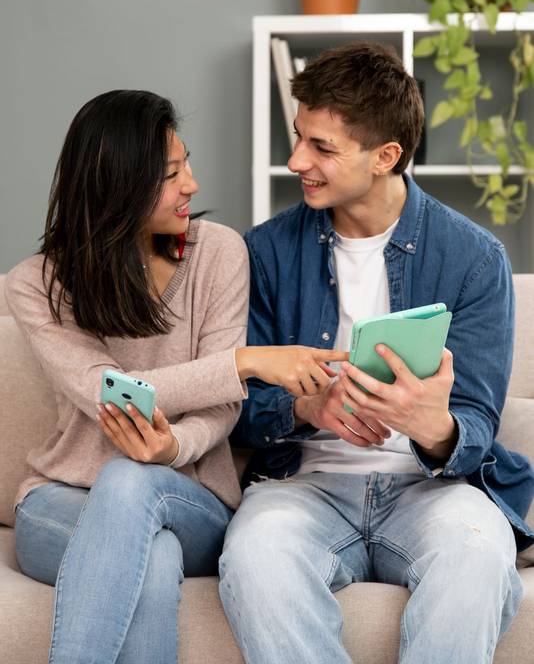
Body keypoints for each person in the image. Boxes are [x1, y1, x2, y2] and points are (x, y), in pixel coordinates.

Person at [5, 89, 346, 664]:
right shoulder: (37, 283)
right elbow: (104, 390)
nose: (191, 183)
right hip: (59, 502)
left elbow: (221, 409)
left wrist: (172, 448)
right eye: (170, 174)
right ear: (118, 186)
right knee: (151, 551)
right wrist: (245, 362)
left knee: (129, 480)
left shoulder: (219, 254)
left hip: (191, 498)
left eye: (186, 162)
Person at [219, 43, 534, 664]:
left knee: (477, 553)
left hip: (431, 490)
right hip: (302, 484)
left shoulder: (474, 260)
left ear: (386, 156)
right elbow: (237, 407)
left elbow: (475, 423)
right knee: (256, 556)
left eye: (322, 148)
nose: (296, 161)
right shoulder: (264, 253)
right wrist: (307, 407)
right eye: (298, 137)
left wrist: (432, 425)